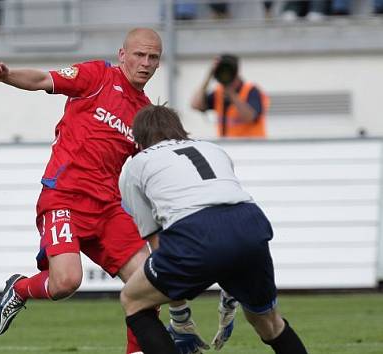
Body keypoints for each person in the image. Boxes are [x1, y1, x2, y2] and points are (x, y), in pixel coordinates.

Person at [0, 28, 227, 354]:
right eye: (139, 55)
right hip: (63, 197)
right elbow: (42, 80)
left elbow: (152, 171)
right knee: (66, 282)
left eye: (153, 57)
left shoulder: (145, 114)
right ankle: (22, 289)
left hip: (109, 208)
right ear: (122, 54)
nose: (146, 63)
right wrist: (7, 75)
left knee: (147, 283)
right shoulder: (95, 76)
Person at [118, 104, 308, 354]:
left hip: (195, 230)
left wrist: (180, 317)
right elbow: (227, 230)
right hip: (249, 221)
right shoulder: (213, 149)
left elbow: (158, 246)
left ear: (139, 140)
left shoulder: (136, 165)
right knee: (270, 323)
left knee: (132, 299)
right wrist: (230, 301)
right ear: (180, 130)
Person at [191, 54, 269, 138]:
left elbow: (249, 117)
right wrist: (209, 76)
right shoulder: (218, 92)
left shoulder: (251, 91)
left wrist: (231, 94)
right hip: (228, 146)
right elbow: (196, 105)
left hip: (252, 146)